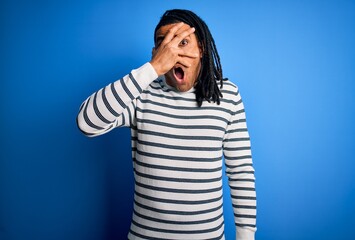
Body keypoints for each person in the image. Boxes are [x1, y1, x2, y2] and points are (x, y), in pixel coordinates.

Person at [77, 9, 256, 240]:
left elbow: (240, 170)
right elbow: (86, 122)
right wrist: (151, 69)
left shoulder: (227, 95)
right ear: (157, 53)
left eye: (182, 42)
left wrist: (246, 236)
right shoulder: (140, 94)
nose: (174, 53)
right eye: (165, 45)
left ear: (201, 48)